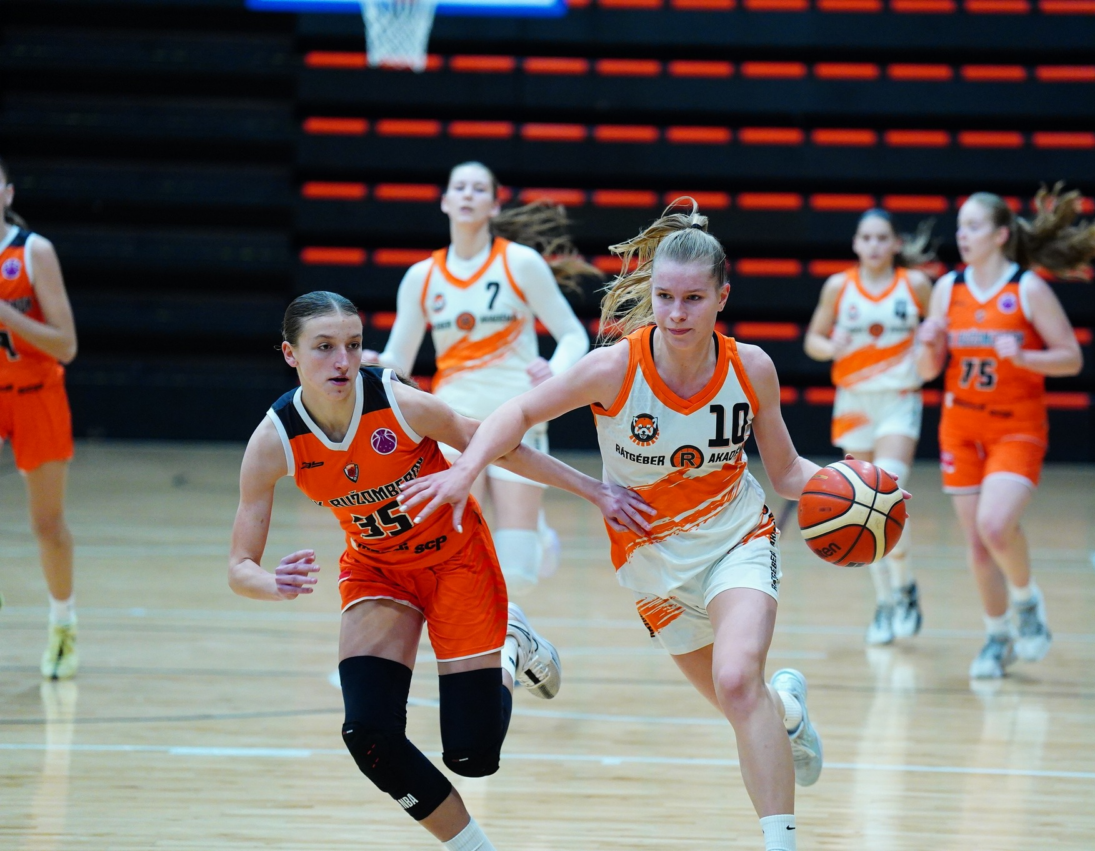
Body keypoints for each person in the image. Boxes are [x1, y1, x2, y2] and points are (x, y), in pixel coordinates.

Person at [399, 200, 899, 851]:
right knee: (744, 702)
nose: (676, 312)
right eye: (664, 296)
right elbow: (516, 414)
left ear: (722, 297)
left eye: (693, 298)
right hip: (652, 564)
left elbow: (786, 474)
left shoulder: (750, 368)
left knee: (736, 679)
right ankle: (790, 713)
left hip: (737, 539)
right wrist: (467, 470)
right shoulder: (614, 368)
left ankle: (781, 842)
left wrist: (858, 487)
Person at [229, 291, 650, 851]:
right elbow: (239, 566)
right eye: (324, 347)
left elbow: (500, 447)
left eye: (352, 345)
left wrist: (594, 490)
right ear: (291, 354)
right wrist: (272, 584)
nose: (342, 361)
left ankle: (511, 644)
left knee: (473, 756)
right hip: (378, 571)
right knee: (369, 735)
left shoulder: (400, 403)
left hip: (455, 560)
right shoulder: (275, 438)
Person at [366, 161, 595, 596]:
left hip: (517, 417)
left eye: (478, 188)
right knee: (452, 547)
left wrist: (556, 371)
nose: (468, 194)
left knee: (518, 572)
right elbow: (400, 359)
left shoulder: (520, 263)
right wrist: (375, 361)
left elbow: (572, 334)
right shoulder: (422, 276)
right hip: (452, 420)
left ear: (494, 204)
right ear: (445, 202)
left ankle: (536, 533)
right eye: (460, 188)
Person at [916, 186, 1095, 679]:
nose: (963, 235)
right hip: (960, 428)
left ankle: (1027, 601)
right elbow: (928, 370)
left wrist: (1024, 356)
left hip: (1016, 428)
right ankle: (998, 638)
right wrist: (927, 344)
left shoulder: (1027, 289)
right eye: (960, 227)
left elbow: (1072, 358)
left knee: (995, 526)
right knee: (977, 545)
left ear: (1000, 235)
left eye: (973, 227)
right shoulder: (947, 288)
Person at [804, 209, 933, 646]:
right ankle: (886, 600)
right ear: (856, 243)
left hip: (899, 397)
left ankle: (905, 587)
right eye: (867, 237)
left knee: (888, 491)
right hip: (854, 401)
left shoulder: (915, 285)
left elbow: (938, 334)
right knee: (862, 505)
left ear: (896, 243)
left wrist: (930, 348)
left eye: (882, 237)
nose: (874, 245)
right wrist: (830, 345)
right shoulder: (839, 287)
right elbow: (813, 341)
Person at [0, 155, 80, 680]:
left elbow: (66, 345)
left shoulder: (32, 251)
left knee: (45, 523)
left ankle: (62, 624)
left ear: (7, 194)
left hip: (34, 392)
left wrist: (5, 313)